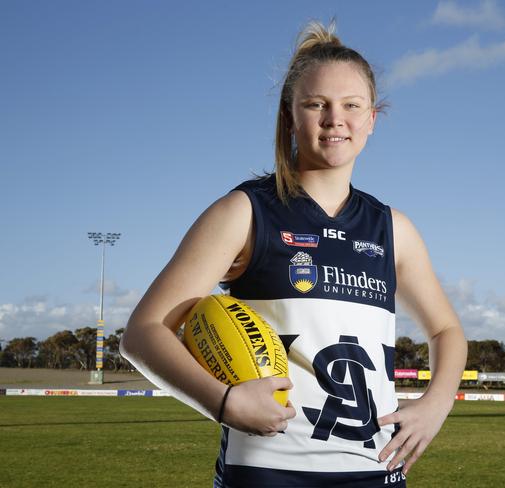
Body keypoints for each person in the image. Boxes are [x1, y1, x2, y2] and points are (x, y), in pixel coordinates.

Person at [120, 20, 467, 488]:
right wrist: (222, 402)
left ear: (372, 119)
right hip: (268, 470)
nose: (334, 119)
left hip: (375, 470)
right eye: (315, 104)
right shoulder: (244, 212)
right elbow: (143, 333)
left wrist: (436, 404)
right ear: (289, 116)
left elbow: (446, 330)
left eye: (351, 105)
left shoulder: (393, 228)